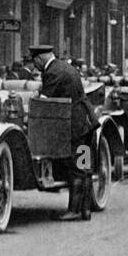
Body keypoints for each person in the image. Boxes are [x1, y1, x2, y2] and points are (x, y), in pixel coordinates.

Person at [30, 44, 94, 222]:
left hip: (73, 126)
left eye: (34, 62)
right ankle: (85, 211)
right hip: (86, 124)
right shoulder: (65, 67)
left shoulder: (53, 72)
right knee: (84, 166)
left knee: (76, 168)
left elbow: (44, 102)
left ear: (40, 58)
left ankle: (73, 211)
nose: (34, 67)